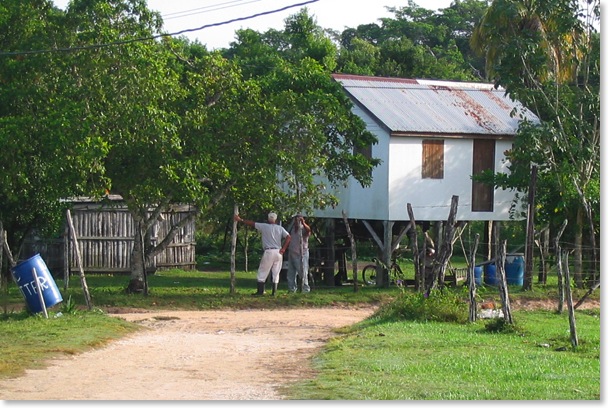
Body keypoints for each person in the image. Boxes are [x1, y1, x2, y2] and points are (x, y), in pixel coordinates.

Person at [234, 212, 291, 296]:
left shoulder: (264, 226)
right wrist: (284, 248)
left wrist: (240, 220)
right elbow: (289, 237)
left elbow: (252, 223)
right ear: (276, 220)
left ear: (268, 219)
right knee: (276, 272)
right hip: (278, 251)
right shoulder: (280, 228)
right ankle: (274, 292)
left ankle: (260, 291)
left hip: (269, 251)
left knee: (262, 271)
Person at [287, 214, 312, 293]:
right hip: (292, 252)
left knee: (303, 272)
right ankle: (291, 289)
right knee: (291, 273)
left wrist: (303, 223)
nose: (297, 221)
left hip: (301, 253)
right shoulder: (292, 228)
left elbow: (308, 231)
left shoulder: (303, 229)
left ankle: (305, 289)